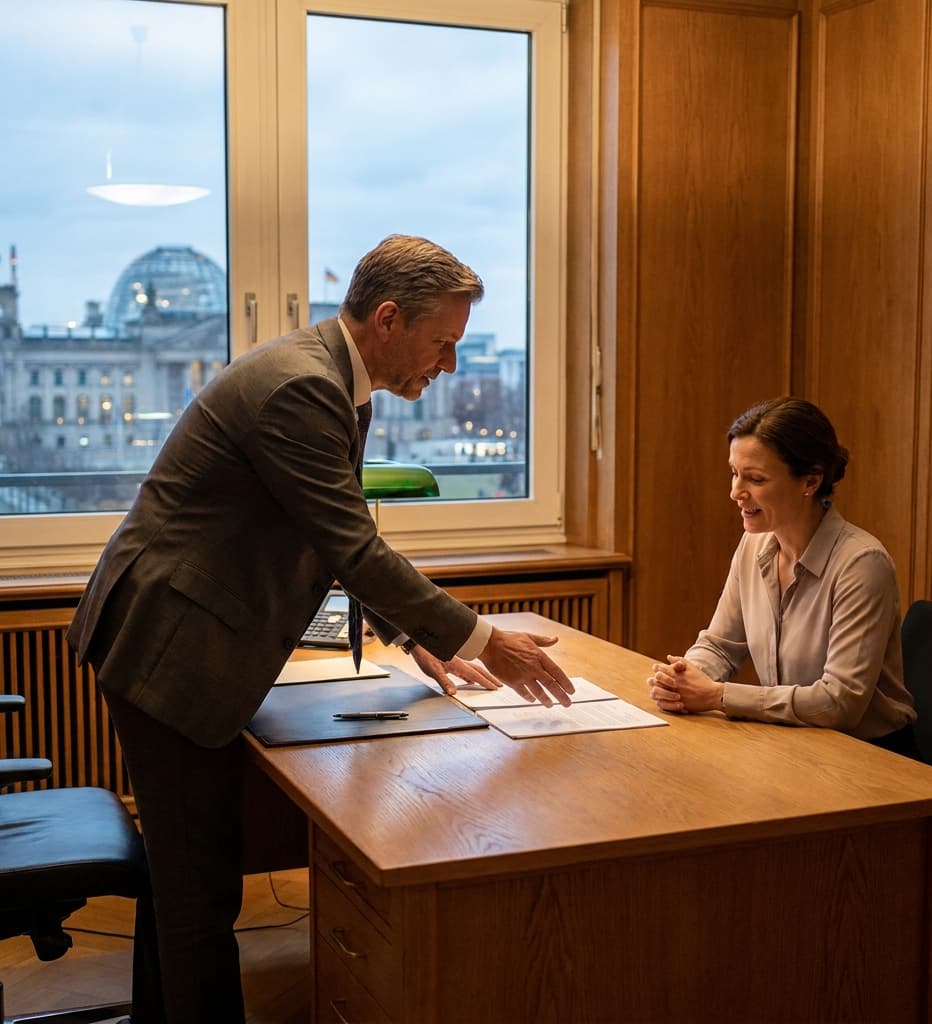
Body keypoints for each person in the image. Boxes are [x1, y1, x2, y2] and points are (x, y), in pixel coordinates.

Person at [66, 234, 574, 1023]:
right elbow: (351, 545)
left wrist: (419, 639)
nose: (446, 366)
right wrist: (483, 640)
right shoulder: (301, 387)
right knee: (198, 893)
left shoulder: (334, 378)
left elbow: (320, 534)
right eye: (441, 343)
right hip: (169, 646)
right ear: (387, 318)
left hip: (177, 630)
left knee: (187, 881)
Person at [646, 396, 917, 754]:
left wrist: (717, 695)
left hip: (870, 757)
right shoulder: (753, 545)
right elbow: (721, 646)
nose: (735, 492)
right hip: (793, 743)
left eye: (755, 478)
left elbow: (839, 703)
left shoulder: (862, 563)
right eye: (734, 473)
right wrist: (682, 679)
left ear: (810, 481)